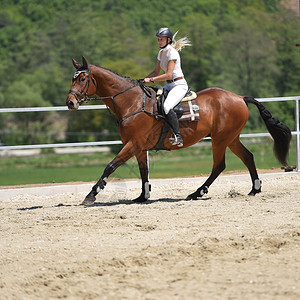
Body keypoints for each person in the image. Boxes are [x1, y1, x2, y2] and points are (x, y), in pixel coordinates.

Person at [144, 27, 191, 147]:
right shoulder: (161, 53)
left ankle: (178, 136)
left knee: (166, 106)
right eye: (158, 39)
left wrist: (152, 80)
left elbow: (169, 74)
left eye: (161, 39)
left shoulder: (173, 53)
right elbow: (155, 72)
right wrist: (143, 80)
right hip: (169, 85)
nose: (159, 41)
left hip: (179, 85)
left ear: (168, 40)